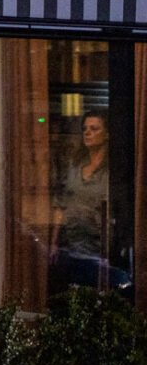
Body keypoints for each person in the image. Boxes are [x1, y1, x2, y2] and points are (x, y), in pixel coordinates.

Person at [54, 110, 127, 288]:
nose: (87, 132)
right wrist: (53, 243)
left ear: (107, 134)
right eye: (85, 128)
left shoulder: (112, 171)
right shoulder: (74, 166)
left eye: (94, 129)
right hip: (70, 249)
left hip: (99, 253)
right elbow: (60, 204)